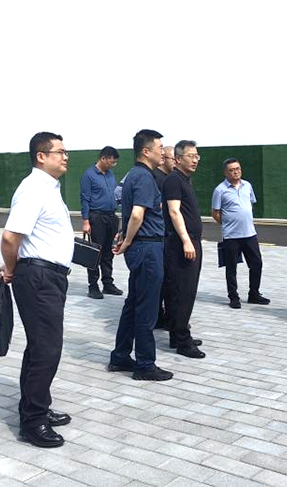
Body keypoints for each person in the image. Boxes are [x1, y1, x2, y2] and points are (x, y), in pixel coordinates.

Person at [0, 132, 75, 448]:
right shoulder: (33, 189)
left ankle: (36, 405)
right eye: (60, 151)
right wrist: (11, 268)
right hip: (39, 279)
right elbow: (9, 238)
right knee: (47, 349)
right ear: (41, 156)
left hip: (49, 277)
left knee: (40, 347)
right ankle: (33, 422)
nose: (65, 156)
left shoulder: (49, 188)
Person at [107, 129, 173, 381]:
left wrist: (126, 239)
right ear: (146, 151)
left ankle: (120, 356)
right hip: (147, 249)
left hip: (140, 247)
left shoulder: (132, 175)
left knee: (134, 303)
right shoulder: (144, 177)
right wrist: (127, 241)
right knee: (147, 309)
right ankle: (145, 364)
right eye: (160, 148)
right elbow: (136, 214)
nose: (163, 153)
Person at [163, 140, 205, 359]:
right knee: (183, 292)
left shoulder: (184, 180)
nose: (195, 160)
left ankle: (177, 334)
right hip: (181, 244)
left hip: (189, 241)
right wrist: (186, 240)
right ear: (178, 159)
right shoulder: (173, 180)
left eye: (197, 156)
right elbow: (174, 211)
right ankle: (182, 340)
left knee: (183, 290)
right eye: (191, 156)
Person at [212, 157, 270, 309]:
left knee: (256, 264)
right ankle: (233, 297)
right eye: (231, 170)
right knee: (231, 268)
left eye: (237, 168)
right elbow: (215, 213)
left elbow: (250, 204)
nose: (236, 172)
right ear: (226, 173)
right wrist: (228, 224)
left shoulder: (247, 186)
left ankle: (254, 294)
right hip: (231, 236)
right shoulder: (220, 190)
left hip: (250, 234)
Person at [80, 146, 123, 299]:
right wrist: (86, 222)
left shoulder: (110, 174)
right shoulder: (89, 175)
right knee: (95, 253)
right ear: (103, 158)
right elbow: (85, 199)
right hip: (96, 217)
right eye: (111, 162)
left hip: (111, 217)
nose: (113, 165)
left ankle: (108, 283)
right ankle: (93, 286)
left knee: (108, 253)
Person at [154, 145, 176, 330]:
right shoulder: (155, 178)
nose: (175, 162)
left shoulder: (172, 178)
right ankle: (160, 316)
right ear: (163, 159)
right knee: (163, 280)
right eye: (172, 158)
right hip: (160, 235)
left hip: (168, 235)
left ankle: (165, 315)